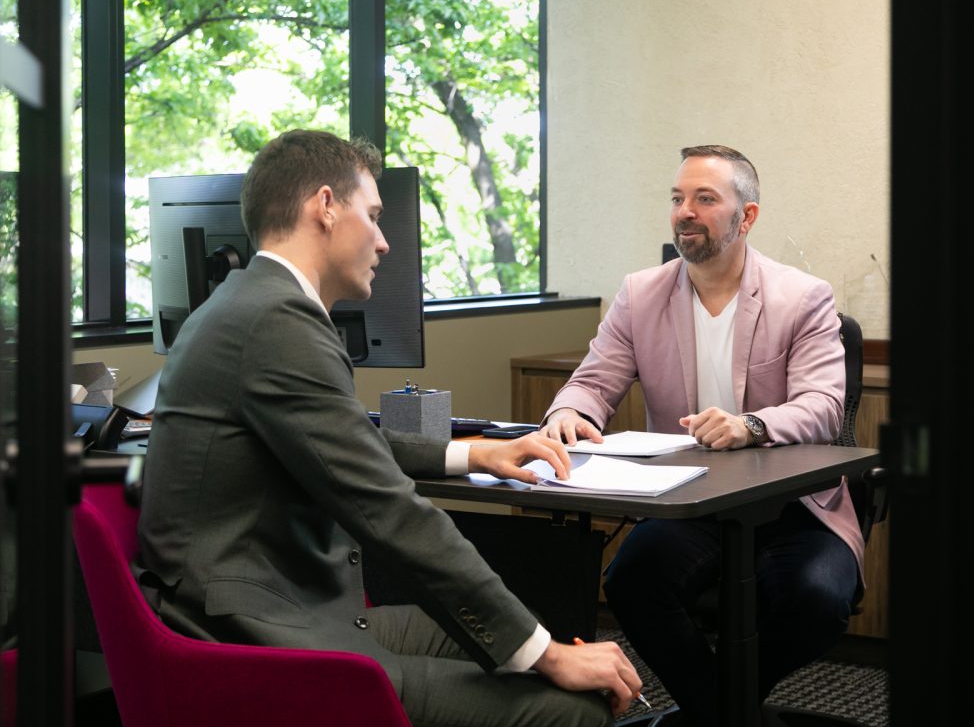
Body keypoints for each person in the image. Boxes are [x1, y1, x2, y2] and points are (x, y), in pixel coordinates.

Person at [137, 129, 641, 727]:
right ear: (325, 207)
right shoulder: (277, 322)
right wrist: (546, 654)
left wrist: (473, 454)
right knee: (566, 705)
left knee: (496, 635)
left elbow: (346, 443)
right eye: (373, 217)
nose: (383, 242)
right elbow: (391, 513)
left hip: (256, 602)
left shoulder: (243, 302)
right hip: (253, 637)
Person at [540, 145, 864, 725]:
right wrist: (569, 412)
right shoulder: (641, 295)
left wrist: (750, 425)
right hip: (692, 501)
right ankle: (726, 715)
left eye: (705, 199)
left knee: (816, 599)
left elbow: (823, 406)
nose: (684, 211)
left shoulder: (803, 297)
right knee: (632, 582)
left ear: (747, 216)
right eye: (677, 198)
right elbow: (592, 382)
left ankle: (714, 712)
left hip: (793, 504)